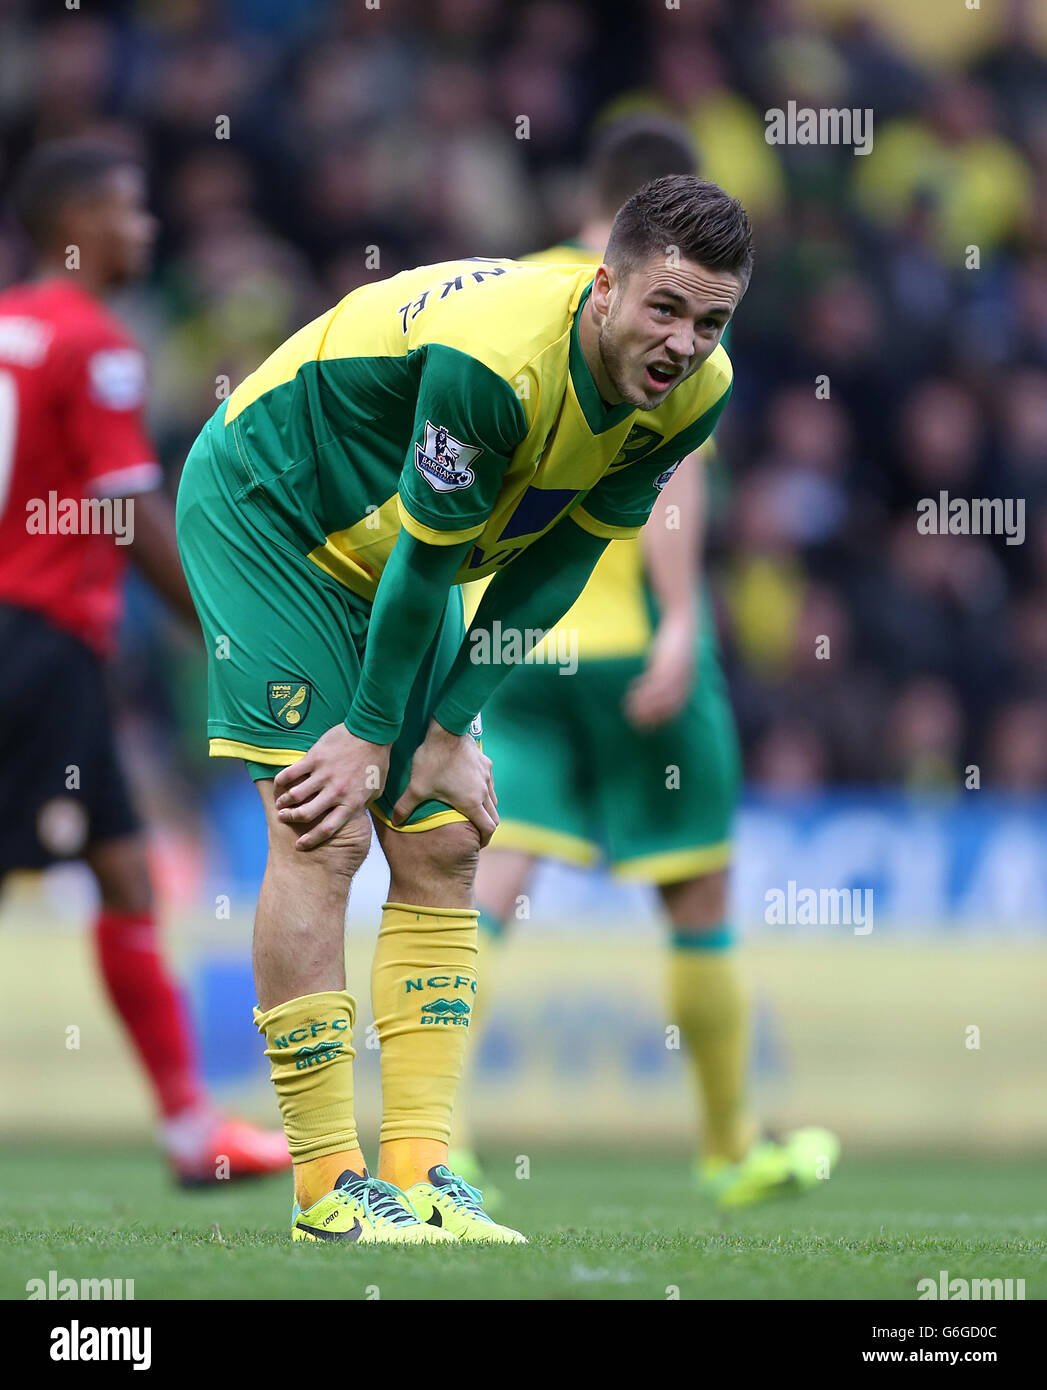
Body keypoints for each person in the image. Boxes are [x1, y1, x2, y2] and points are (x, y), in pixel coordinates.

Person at [175, 174, 749, 1243]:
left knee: (444, 839)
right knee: (325, 822)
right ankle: (326, 1187)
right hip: (275, 509)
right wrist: (373, 735)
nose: (682, 341)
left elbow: (562, 556)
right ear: (603, 287)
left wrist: (442, 735)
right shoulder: (499, 362)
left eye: (710, 320)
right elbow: (429, 562)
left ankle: (426, 1169)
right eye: (664, 308)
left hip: (402, 553)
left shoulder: (697, 391)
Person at [456, 118, 839, 1209]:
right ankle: (730, 1149)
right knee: (696, 892)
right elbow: (671, 480)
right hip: (628, 644)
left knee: (484, 879)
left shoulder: (513, 288)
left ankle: (440, 1140)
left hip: (510, 642)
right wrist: (680, 617)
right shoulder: (684, 318)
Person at [0, 141, 291, 1186]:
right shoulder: (93, 342)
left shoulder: (7, 330)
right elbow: (126, 510)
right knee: (104, 868)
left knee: (123, 866)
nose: (148, 227)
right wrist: (224, 630)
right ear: (75, 219)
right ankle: (187, 1129)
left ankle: (188, 1130)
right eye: (129, 208)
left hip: (33, 636)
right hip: (40, 636)